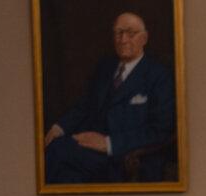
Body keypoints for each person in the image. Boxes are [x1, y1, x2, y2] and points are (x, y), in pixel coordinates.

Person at [43, 12, 176, 183]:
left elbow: (161, 130)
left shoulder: (159, 76)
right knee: (63, 171)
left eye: (130, 33)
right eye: (118, 33)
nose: (123, 39)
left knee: (56, 153)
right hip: (90, 150)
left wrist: (108, 143)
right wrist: (59, 127)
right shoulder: (106, 67)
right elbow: (85, 104)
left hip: (127, 156)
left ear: (144, 38)